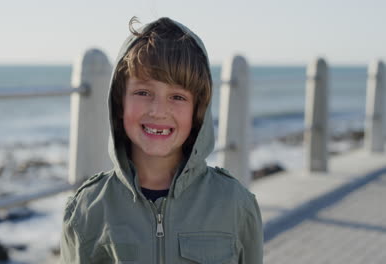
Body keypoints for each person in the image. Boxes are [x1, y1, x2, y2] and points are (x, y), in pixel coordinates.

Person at [60, 17, 263, 264]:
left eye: (177, 96)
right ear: (119, 103)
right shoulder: (87, 210)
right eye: (143, 92)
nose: (158, 110)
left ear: (198, 110)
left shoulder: (236, 204)